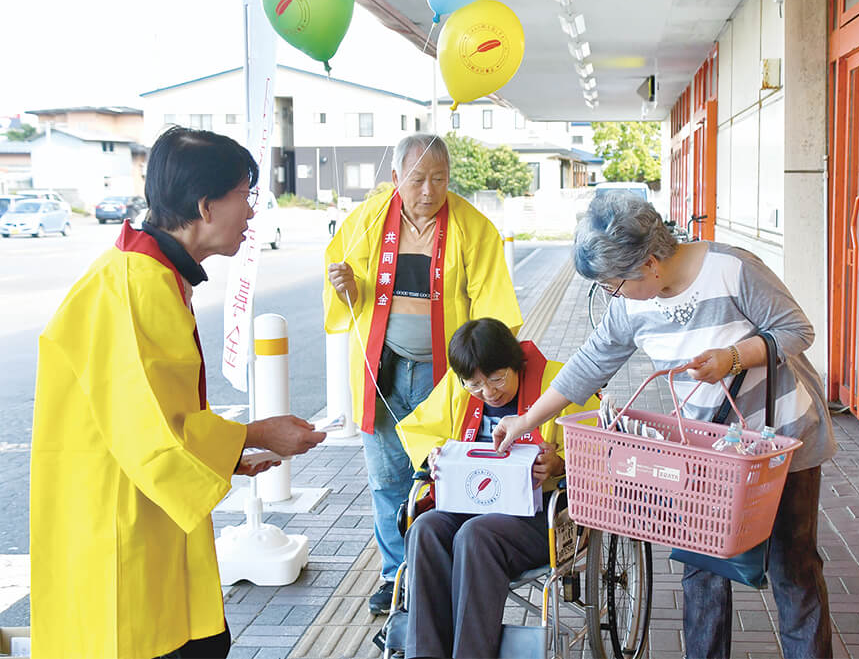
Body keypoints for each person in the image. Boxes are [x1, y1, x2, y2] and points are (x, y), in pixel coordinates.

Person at [494, 192, 838, 659]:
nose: (613, 296)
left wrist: (734, 357)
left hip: (778, 445)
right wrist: (528, 419)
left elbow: (797, 331)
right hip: (703, 452)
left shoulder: (732, 269)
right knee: (701, 571)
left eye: (615, 284)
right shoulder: (631, 302)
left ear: (650, 263)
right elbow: (590, 363)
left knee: (792, 568)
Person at [29, 126, 326, 659]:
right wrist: (255, 434)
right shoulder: (138, 286)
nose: (252, 213)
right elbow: (152, 428)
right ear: (206, 206)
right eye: (246, 196)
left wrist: (233, 453)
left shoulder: (146, 274)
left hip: (145, 507)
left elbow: (155, 414)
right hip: (121, 521)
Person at [323, 134, 522, 615]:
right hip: (384, 370)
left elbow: (495, 312)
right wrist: (343, 282)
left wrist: (488, 375)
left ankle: (438, 572)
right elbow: (341, 284)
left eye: (439, 179)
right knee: (387, 477)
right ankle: (395, 577)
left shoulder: (473, 228)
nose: (429, 191)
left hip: (446, 376)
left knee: (444, 474)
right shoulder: (367, 220)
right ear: (396, 179)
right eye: (417, 180)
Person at [396, 318, 598, 659]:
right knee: (425, 529)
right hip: (471, 502)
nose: (488, 392)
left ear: (516, 362)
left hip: (541, 514)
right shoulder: (457, 389)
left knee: (475, 535)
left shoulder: (560, 384)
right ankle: (425, 653)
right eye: (474, 385)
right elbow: (419, 429)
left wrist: (560, 464)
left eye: (496, 378)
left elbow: (600, 448)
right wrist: (433, 455)